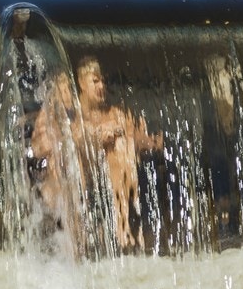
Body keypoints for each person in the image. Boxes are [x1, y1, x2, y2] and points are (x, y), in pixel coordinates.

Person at [31, 57, 164, 253]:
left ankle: (123, 232)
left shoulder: (114, 114)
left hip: (101, 186)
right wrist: (94, 136)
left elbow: (136, 136)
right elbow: (47, 145)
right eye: (95, 81)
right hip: (66, 185)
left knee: (121, 146)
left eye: (103, 81)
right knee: (68, 159)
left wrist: (151, 142)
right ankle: (74, 242)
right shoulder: (69, 111)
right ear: (81, 83)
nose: (102, 86)